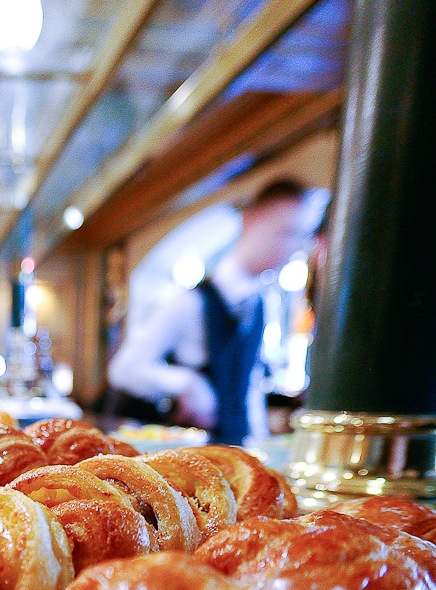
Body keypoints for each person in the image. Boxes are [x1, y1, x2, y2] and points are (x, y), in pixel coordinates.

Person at [107, 178, 311, 445]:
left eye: (301, 237)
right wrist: (187, 383)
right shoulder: (190, 302)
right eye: (287, 233)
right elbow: (123, 369)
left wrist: (260, 447)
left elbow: (248, 389)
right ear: (252, 220)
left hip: (238, 454)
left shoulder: (262, 303)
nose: (294, 248)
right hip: (192, 460)